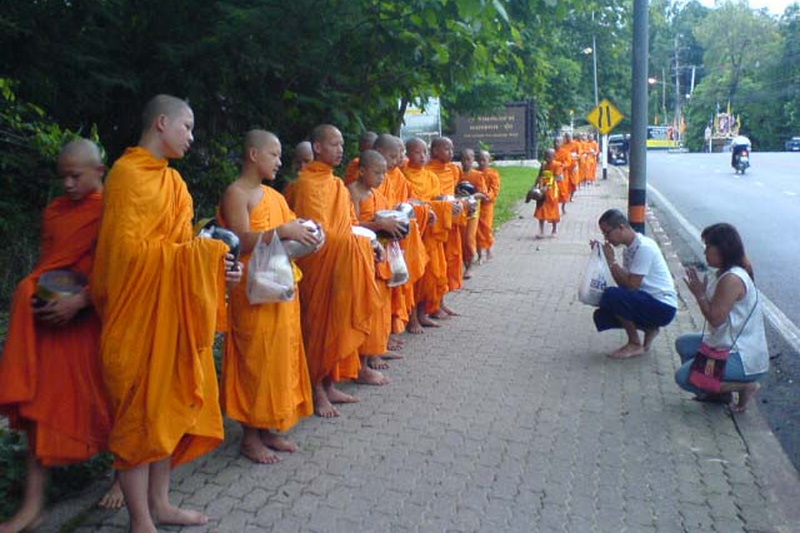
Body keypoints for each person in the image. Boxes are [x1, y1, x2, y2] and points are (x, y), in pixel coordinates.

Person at [90, 94, 242, 532]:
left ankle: (161, 502)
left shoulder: (173, 183)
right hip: (135, 316)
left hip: (168, 314)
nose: (192, 137)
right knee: (139, 419)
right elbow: (125, 257)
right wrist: (196, 258)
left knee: (165, 411)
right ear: (161, 123)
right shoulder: (127, 176)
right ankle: (141, 519)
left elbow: (180, 246)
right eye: (188, 127)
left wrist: (214, 268)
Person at [0, 139, 112, 533]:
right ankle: (33, 507)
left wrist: (80, 301)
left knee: (107, 402)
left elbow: (115, 268)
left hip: (90, 323)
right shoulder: (56, 212)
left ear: (99, 172)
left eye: (75, 176)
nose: (67, 184)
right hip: (52, 327)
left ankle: (121, 476)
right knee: (40, 412)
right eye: (62, 176)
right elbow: (53, 265)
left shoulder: (112, 212)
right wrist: (47, 298)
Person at [218, 130, 318, 464]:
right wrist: (282, 231)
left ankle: (270, 426)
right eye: (273, 154)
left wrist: (308, 232)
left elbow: (291, 231)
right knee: (256, 361)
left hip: (280, 285)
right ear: (253, 154)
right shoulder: (237, 193)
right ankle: (249, 436)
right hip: (252, 290)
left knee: (279, 359)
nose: (279, 160)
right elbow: (240, 240)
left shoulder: (273, 196)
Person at [284, 124, 382, 418]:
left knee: (337, 323)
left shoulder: (338, 185)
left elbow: (348, 224)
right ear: (317, 147)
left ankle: (329, 383)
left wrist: (369, 242)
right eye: (334, 144)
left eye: (342, 144)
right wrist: (354, 241)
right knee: (316, 328)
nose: (341, 149)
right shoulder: (304, 185)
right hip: (316, 268)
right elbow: (314, 233)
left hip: (341, 265)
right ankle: (315, 389)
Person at [676, 223, 768, 413]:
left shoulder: (732, 279)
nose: (705, 251)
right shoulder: (723, 273)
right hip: (726, 343)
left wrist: (700, 295)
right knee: (683, 344)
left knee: (684, 377)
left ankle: (745, 386)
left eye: (708, 246)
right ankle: (718, 393)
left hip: (742, 355)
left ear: (723, 249)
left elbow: (715, 319)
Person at [347, 150, 407, 384]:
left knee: (380, 309)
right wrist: (378, 224)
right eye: (377, 172)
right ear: (362, 171)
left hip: (380, 256)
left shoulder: (375, 193)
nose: (382, 177)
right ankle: (361, 366)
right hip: (363, 258)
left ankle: (374, 352)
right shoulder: (352, 192)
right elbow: (350, 226)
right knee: (366, 310)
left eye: (384, 173)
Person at [592, 208, 677, 359]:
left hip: (663, 305)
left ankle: (635, 343)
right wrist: (605, 258)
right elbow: (624, 285)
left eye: (607, 233)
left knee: (611, 295)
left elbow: (631, 286)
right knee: (603, 311)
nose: (606, 238)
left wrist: (611, 260)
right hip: (648, 300)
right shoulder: (628, 250)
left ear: (621, 228)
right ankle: (649, 328)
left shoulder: (644, 247)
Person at [401, 138, 451, 332]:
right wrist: (431, 207)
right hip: (416, 235)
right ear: (407, 154)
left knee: (432, 274)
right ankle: (412, 318)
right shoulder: (404, 176)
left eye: (424, 153)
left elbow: (436, 199)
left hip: (432, 233)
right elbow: (408, 203)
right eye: (417, 152)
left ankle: (423, 314)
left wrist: (446, 205)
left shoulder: (431, 177)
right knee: (416, 275)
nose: (422, 156)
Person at [426, 136, 465, 316]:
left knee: (448, 264)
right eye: (446, 149)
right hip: (435, 225)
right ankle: (431, 305)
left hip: (451, 222)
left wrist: (461, 202)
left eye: (452, 148)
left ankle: (441, 302)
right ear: (435, 151)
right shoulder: (427, 171)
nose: (451, 152)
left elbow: (452, 193)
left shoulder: (453, 170)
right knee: (435, 266)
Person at [458, 148, 487, 279]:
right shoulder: (456, 174)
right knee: (461, 240)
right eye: (464, 159)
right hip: (460, 211)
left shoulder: (477, 175)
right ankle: (465, 264)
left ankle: (470, 267)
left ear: (473, 160)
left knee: (469, 239)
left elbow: (483, 194)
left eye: (469, 159)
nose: (466, 162)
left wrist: (472, 195)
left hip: (473, 211)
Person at [475, 150, 500, 263]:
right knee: (476, 230)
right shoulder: (474, 173)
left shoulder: (492, 173)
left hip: (487, 206)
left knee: (486, 228)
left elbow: (495, 189)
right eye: (479, 160)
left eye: (484, 160)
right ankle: (480, 255)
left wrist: (487, 196)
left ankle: (489, 250)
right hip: (476, 205)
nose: (481, 162)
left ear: (489, 161)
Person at [534, 148, 562, 238]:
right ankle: (541, 231)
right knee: (540, 209)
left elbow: (559, 178)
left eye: (549, 156)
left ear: (554, 156)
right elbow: (539, 176)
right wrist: (535, 186)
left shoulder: (557, 165)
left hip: (552, 191)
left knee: (553, 210)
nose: (547, 158)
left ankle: (554, 229)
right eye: (546, 156)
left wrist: (548, 185)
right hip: (542, 191)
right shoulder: (543, 165)